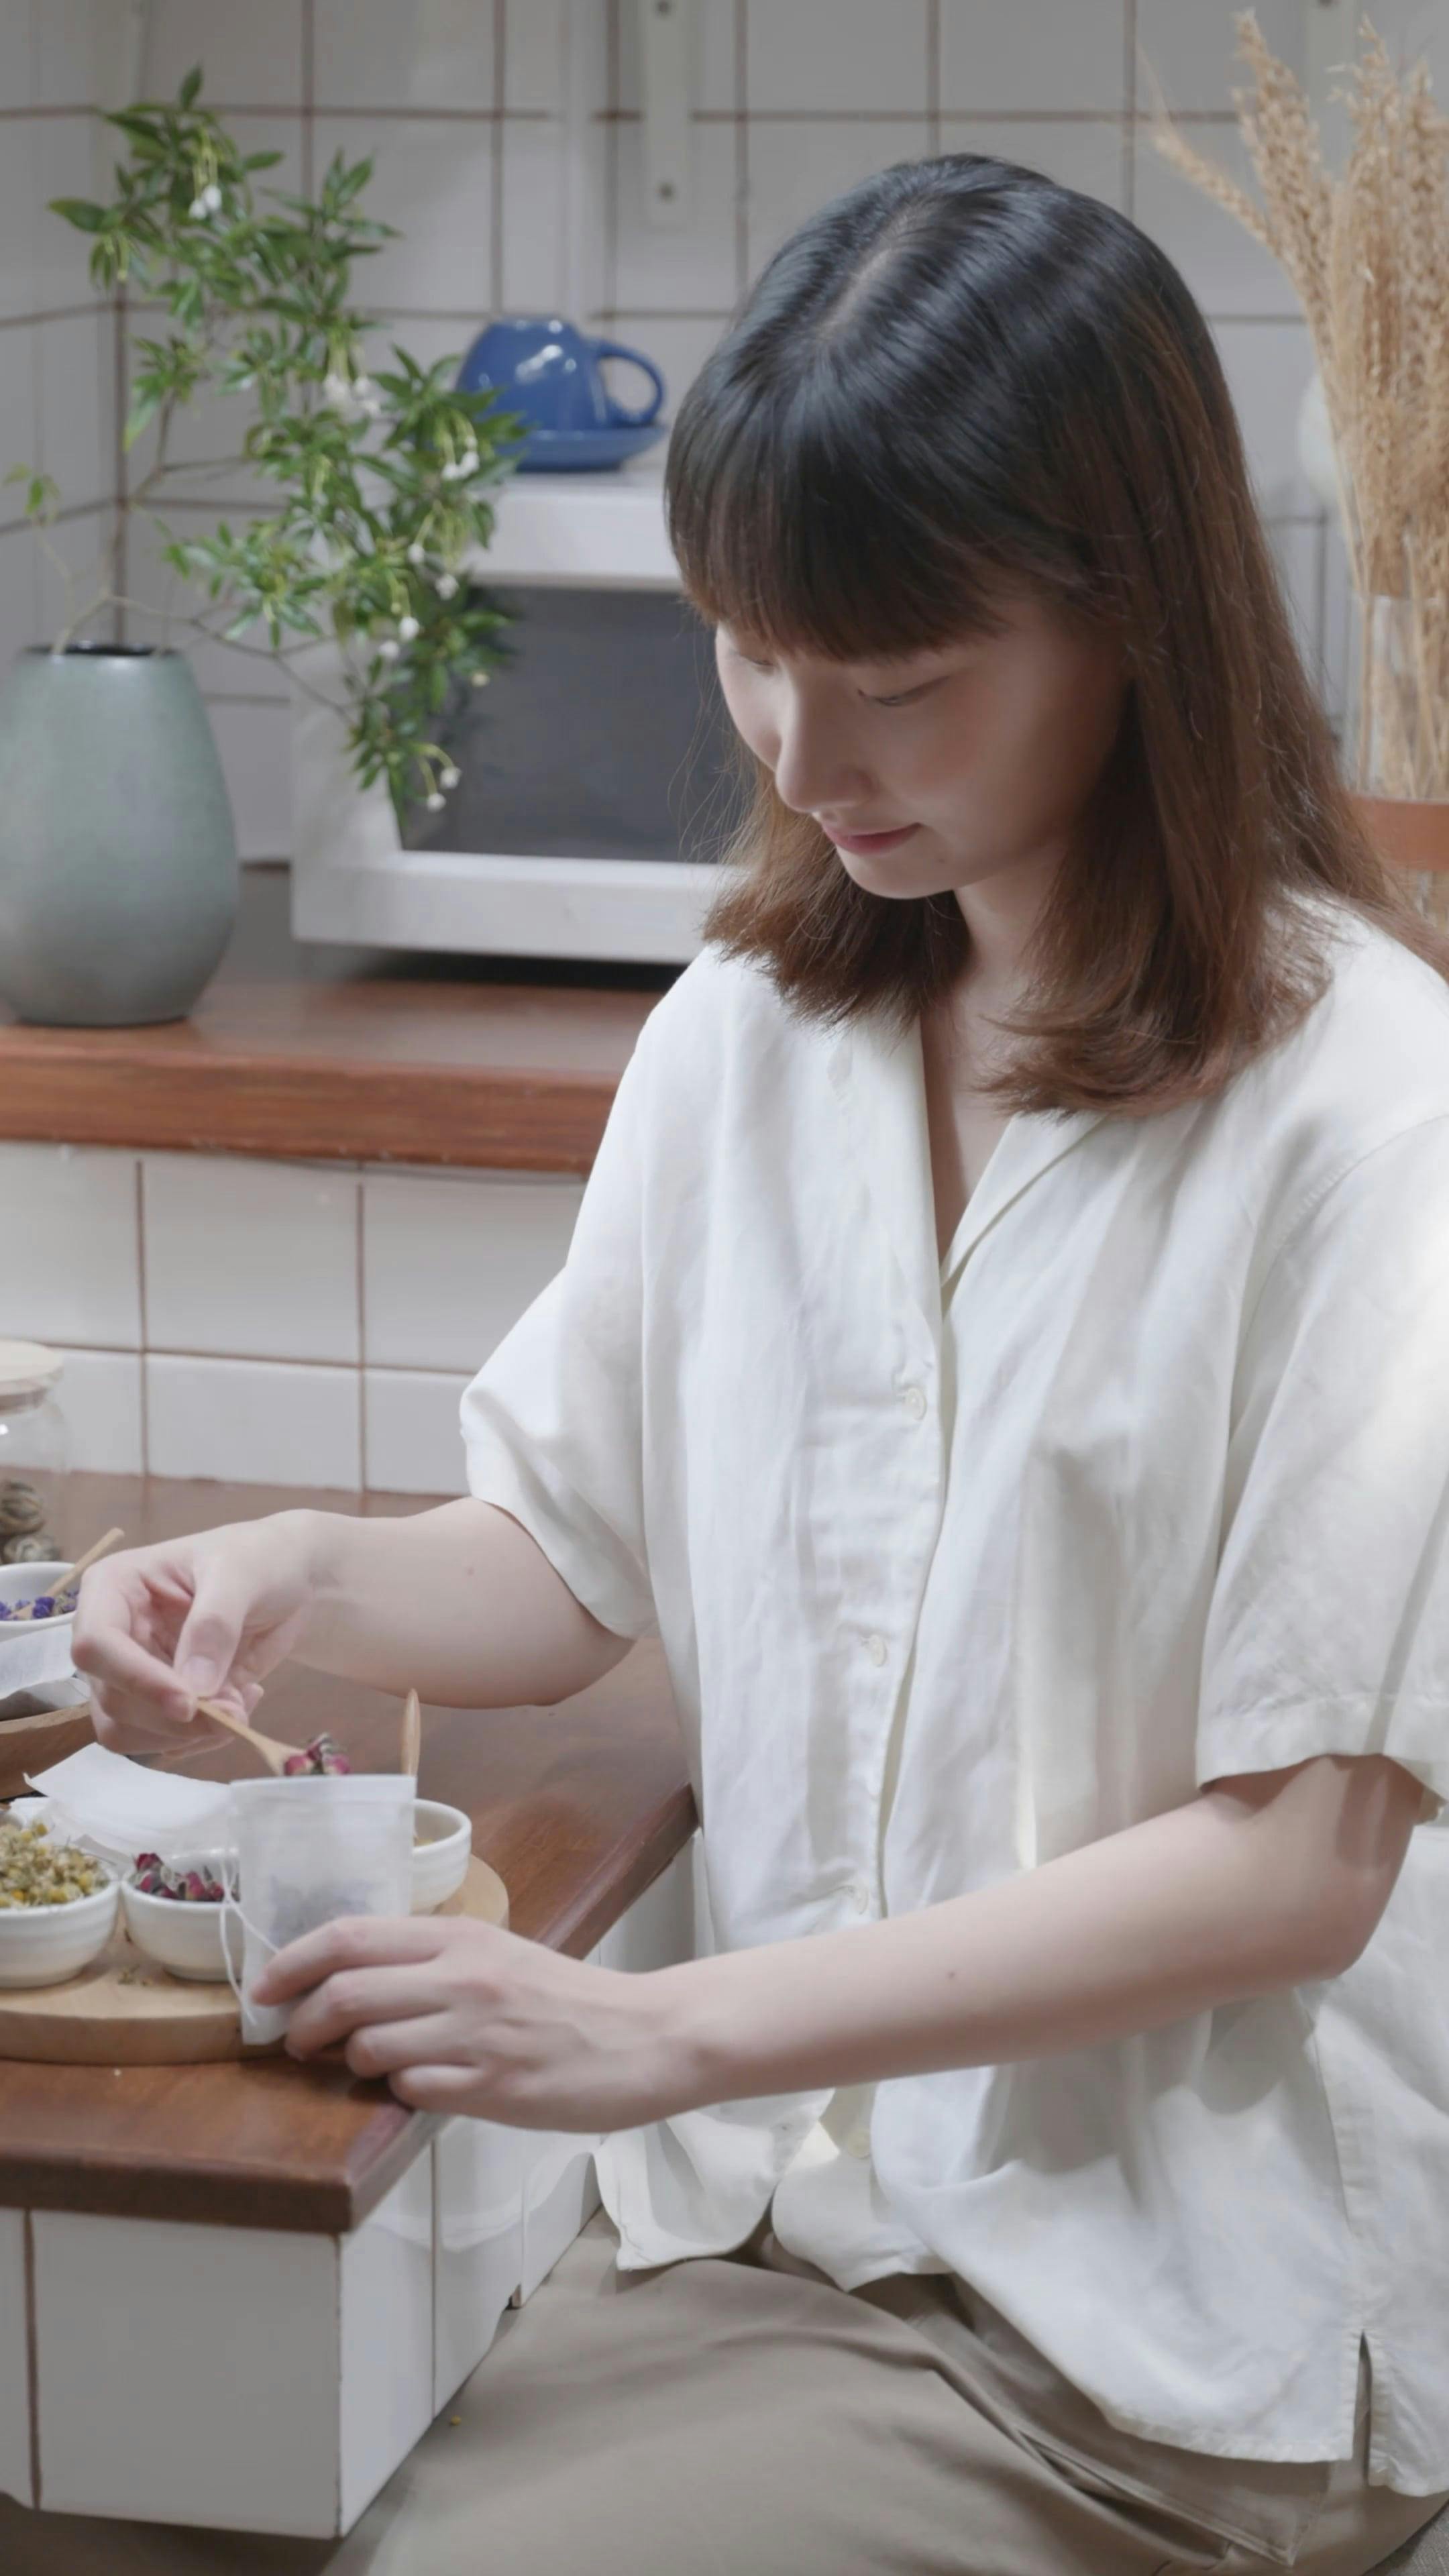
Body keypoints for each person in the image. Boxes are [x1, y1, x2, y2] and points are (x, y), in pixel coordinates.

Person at [45, 153, 1449, 2575]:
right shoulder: (749, 1035)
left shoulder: (1370, 1108)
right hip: (763, 2221)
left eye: (898, 682)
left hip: (1157, 2319)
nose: (803, 753)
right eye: (751, 652)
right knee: (140, 2471)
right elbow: (566, 1554)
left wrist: (655, 2031)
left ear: (1135, 618)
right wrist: (294, 1569)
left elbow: (1298, 1867)